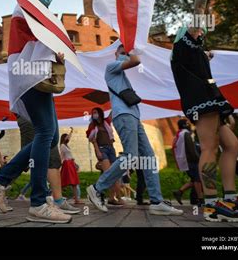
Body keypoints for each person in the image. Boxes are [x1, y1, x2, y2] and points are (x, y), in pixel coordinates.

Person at [170, 0, 238, 222]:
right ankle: (211, 203)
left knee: (232, 144)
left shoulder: (195, 50)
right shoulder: (183, 45)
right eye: (198, 30)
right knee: (209, 148)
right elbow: (199, 10)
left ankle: (230, 197)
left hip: (210, 98)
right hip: (201, 100)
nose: (201, 32)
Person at [0, 0, 72, 223]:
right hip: (29, 70)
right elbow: (44, 34)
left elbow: (43, 36)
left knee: (51, 136)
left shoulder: (32, 10)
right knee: (45, 132)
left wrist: (56, 52)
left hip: (37, 71)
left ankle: (0, 180)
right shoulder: (28, 4)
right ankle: (39, 202)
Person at [87, 44, 183, 216]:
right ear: (115, 54)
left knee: (149, 158)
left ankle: (156, 201)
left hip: (133, 117)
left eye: (126, 52)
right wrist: (131, 48)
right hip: (123, 116)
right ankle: (96, 188)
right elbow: (136, 60)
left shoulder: (121, 75)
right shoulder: (111, 67)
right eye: (121, 52)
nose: (125, 54)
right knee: (130, 157)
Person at [86, 107, 123, 206]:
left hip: (111, 149)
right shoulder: (92, 125)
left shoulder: (106, 122)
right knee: (109, 173)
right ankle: (97, 193)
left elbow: (112, 112)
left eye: (95, 112)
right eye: (92, 113)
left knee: (114, 174)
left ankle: (111, 198)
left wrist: (116, 99)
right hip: (102, 149)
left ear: (100, 113)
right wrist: (97, 151)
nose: (94, 114)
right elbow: (92, 140)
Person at [172, 119, 203, 206]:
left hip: (186, 160)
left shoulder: (180, 134)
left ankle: (179, 192)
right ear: (185, 125)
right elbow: (190, 149)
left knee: (194, 180)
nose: (189, 125)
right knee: (197, 180)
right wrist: (198, 159)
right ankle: (200, 200)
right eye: (187, 124)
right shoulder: (186, 134)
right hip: (192, 160)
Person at [59, 128, 81, 204]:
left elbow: (70, 155)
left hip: (70, 163)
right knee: (65, 182)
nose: (68, 137)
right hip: (67, 164)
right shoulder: (62, 146)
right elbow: (62, 156)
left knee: (74, 182)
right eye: (66, 136)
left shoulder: (66, 145)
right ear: (63, 138)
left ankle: (76, 199)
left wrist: (71, 132)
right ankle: (56, 197)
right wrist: (60, 164)